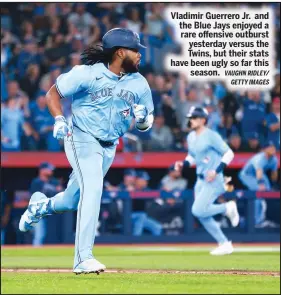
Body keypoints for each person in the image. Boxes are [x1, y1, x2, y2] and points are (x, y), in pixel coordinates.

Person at [19, 28, 154, 275]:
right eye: (135, 51)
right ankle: (83, 258)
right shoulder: (87, 74)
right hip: (81, 137)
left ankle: (39, 207)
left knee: (72, 200)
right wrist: (59, 119)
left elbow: (147, 122)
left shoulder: (139, 82)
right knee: (93, 188)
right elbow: (53, 94)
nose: (139, 55)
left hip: (109, 146)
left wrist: (144, 120)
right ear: (120, 52)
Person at [174, 106, 239, 256]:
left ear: (203, 120)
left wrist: (216, 170)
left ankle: (227, 208)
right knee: (202, 214)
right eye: (190, 118)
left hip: (214, 179)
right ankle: (224, 243)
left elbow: (229, 153)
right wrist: (182, 164)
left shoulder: (211, 135)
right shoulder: (191, 137)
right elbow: (192, 157)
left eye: (194, 118)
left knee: (197, 210)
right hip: (200, 179)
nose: (191, 120)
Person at [238, 141, 279, 226]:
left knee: (268, 190)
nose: (272, 149)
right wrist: (260, 184)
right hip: (247, 175)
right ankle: (256, 221)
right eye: (270, 147)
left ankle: (263, 218)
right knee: (258, 193)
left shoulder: (274, 159)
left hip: (259, 175)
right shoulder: (259, 158)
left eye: (273, 147)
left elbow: (274, 173)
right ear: (264, 150)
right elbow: (258, 172)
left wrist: (274, 184)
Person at [29, 162, 63, 246]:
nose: (51, 171)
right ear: (42, 170)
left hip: (51, 212)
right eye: (49, 169)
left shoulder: (54, 181)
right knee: (39, 234)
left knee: (50, 235)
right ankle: (35, 253)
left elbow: (60, 193)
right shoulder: (36, 182)